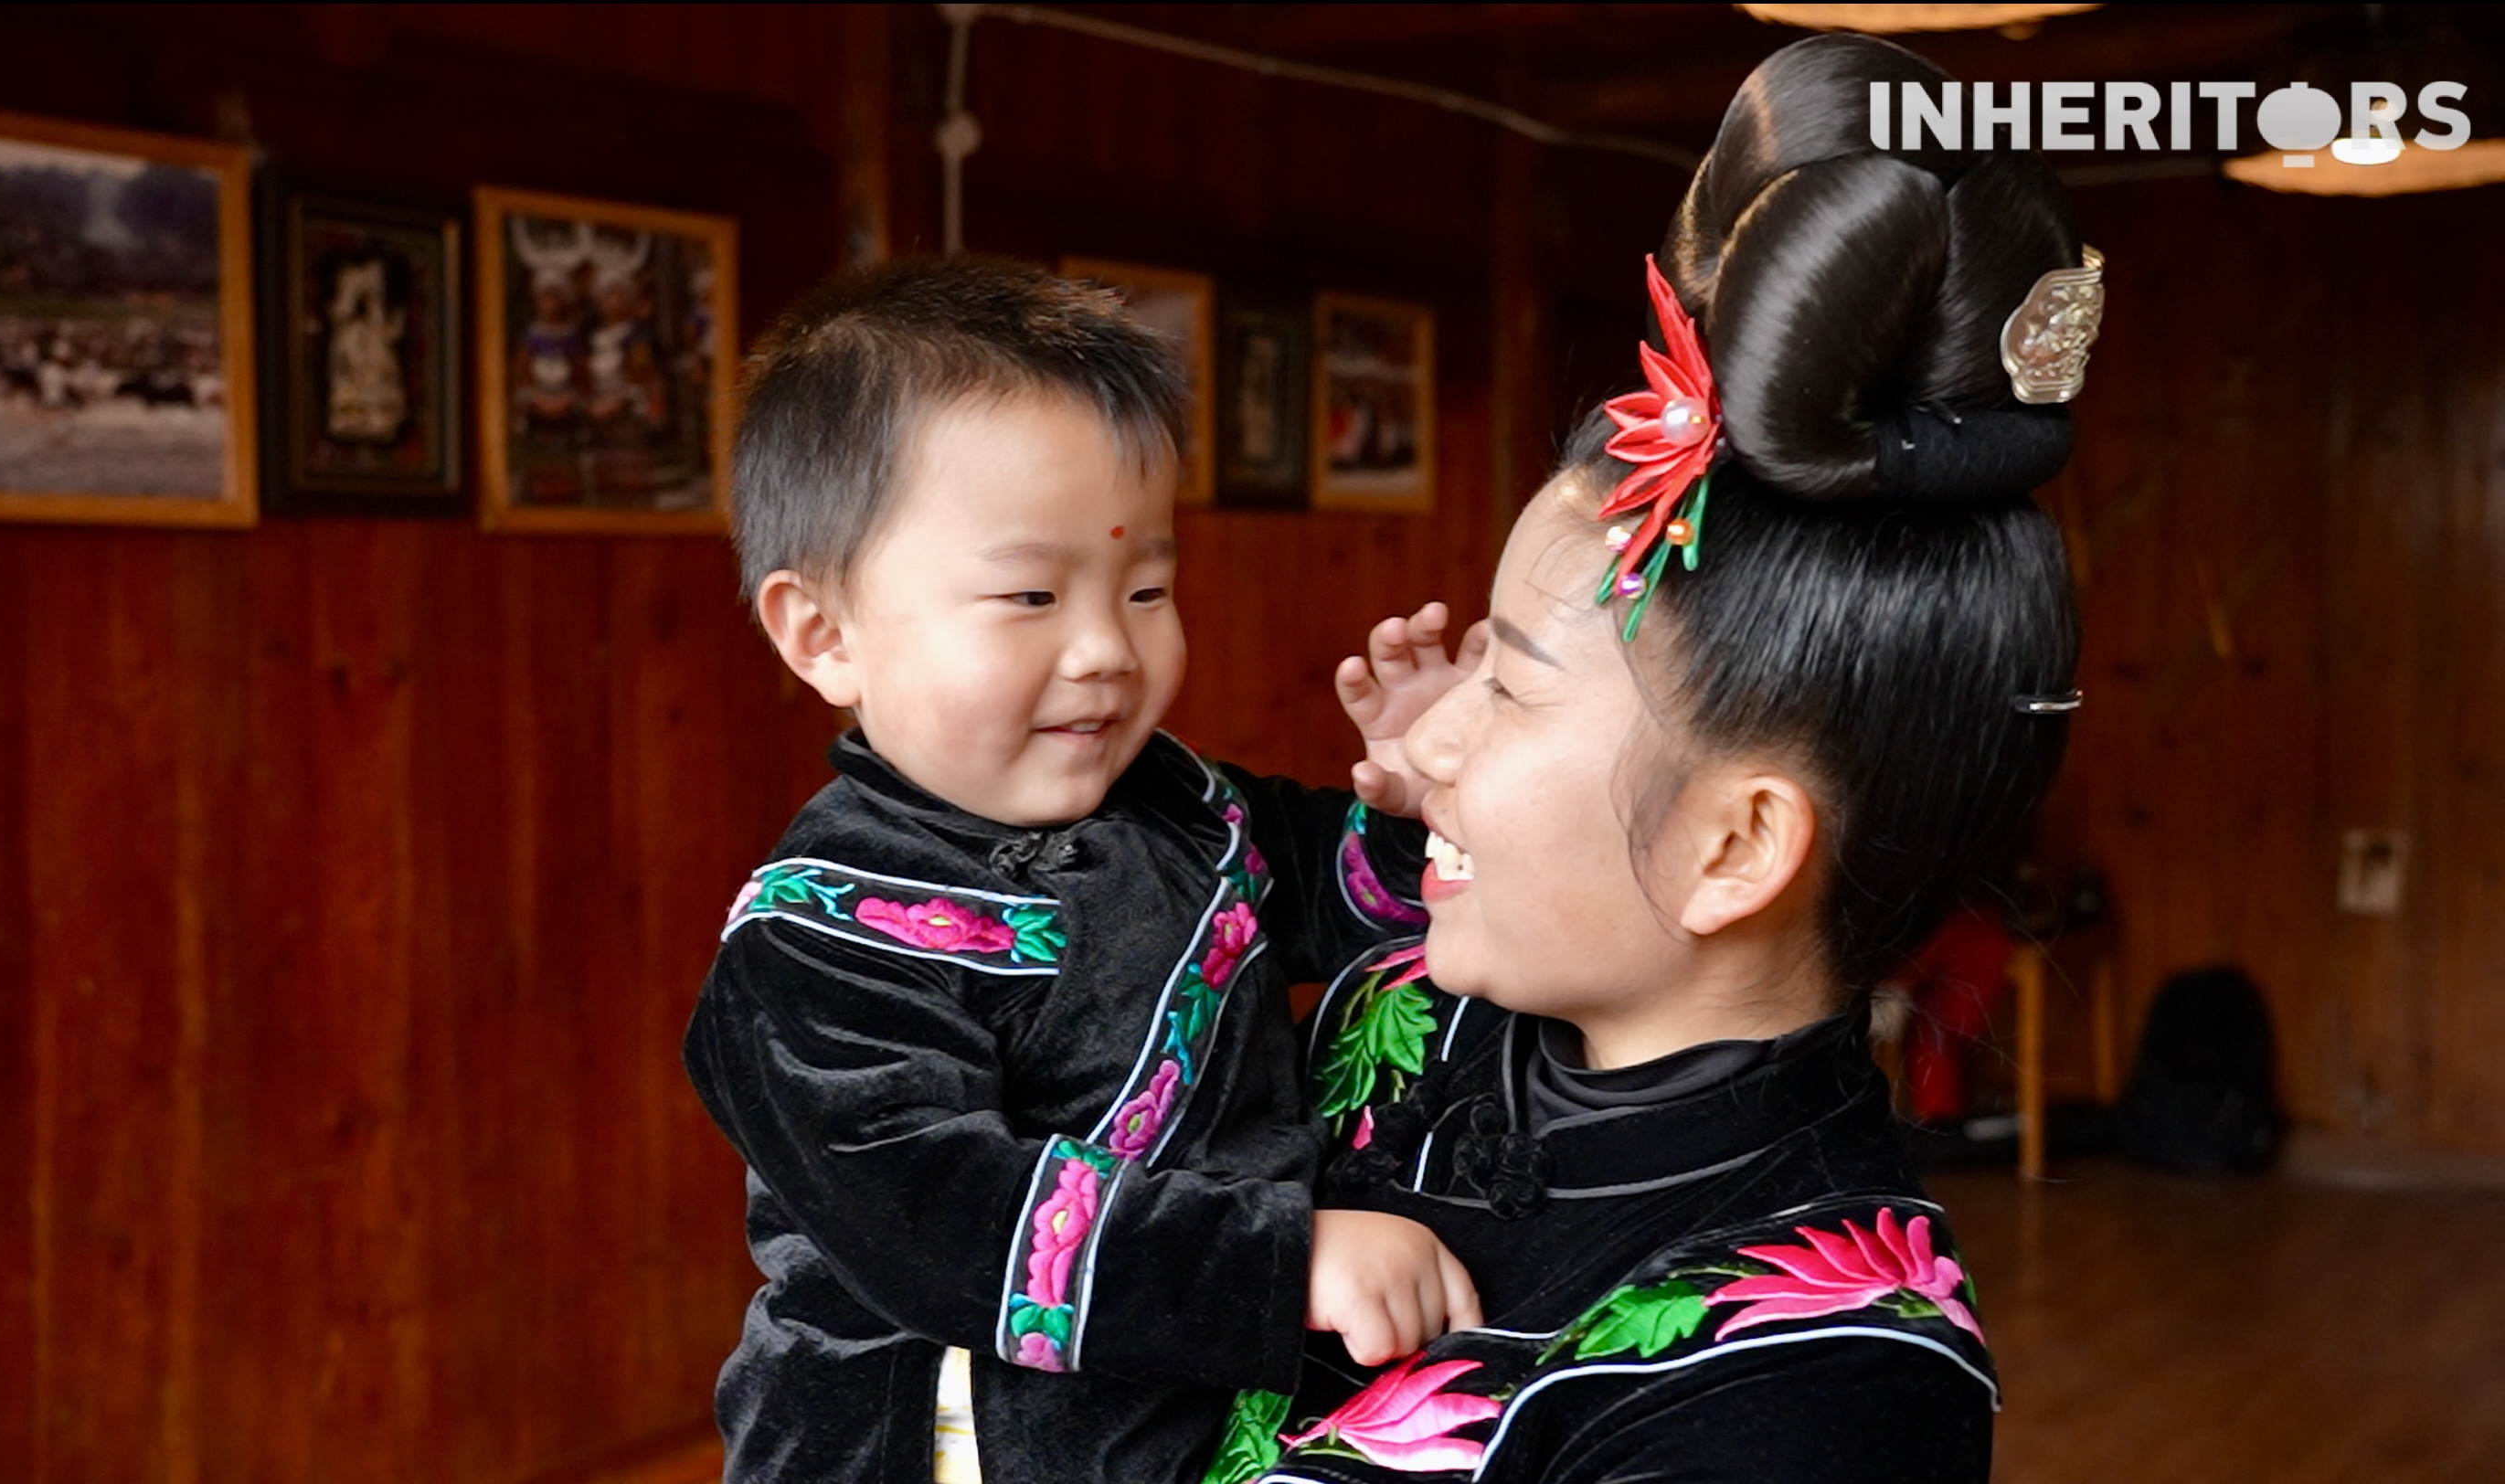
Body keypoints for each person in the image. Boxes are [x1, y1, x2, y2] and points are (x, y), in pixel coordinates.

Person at [1204, 34, 2096, 1483]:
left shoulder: (1821, 1383)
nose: (1427, 735)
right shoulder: (1398, 1004)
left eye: (1511, 684)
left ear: (1734, 846)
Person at [681, 258, 1483, 1484]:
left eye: (1147, 586)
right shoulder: (819, 940)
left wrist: (1424, 795)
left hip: (1188, 1420)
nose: (1108, 649)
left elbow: (1355, 903)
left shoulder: (1178, 802)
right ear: (824, 634)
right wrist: (1285, 1260)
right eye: (1030, 595)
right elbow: (948, 1226)